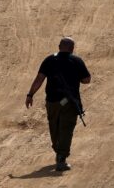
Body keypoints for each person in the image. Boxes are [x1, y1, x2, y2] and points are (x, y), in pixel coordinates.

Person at [25, 37, 91, 172]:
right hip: (70, 102)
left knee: (54, 127)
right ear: (72, 48)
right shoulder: (77, 61)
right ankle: (61, 158)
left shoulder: (49, 60)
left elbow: (39, 79)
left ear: (59, 46)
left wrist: (30, 95)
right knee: (66, 129)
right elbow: (86, 80)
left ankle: (58, 150)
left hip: (52, 101)